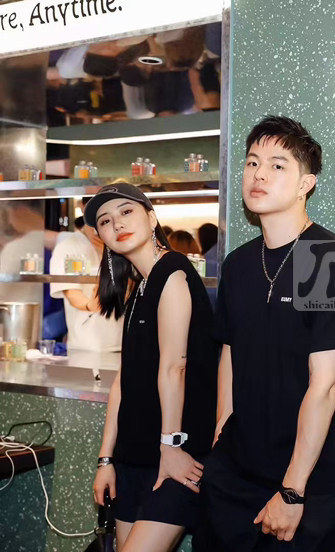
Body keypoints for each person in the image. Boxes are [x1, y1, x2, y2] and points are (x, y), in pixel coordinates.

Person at [196, 116, 335, 551]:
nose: (259, 174)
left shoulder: (329, 261)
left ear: (305, 184)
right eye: (252, 162)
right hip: (234, 471)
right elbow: (230, 353)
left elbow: (326, 387)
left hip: (305, 480)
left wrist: (292, 491)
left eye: (278, 165)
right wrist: (220, 434)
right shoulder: (238, 264)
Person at [88, 184, 218, 551]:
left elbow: (175, 367)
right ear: (102, 238)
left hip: (176, 455)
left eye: (126, 212)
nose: (117, 224)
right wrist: (106, 459)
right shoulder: (139, 288)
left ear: (151, 217)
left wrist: (171, 446)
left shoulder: (173, 273)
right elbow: (124, 380)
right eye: (105, 221)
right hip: (133, 457)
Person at [49, 208, 122, 352]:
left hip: (123, 342)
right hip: (84, 346)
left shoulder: (120, 244)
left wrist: (109, 255)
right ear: (84, 208)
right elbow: (71, 293)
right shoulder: (68, 246)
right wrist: (90, 305)